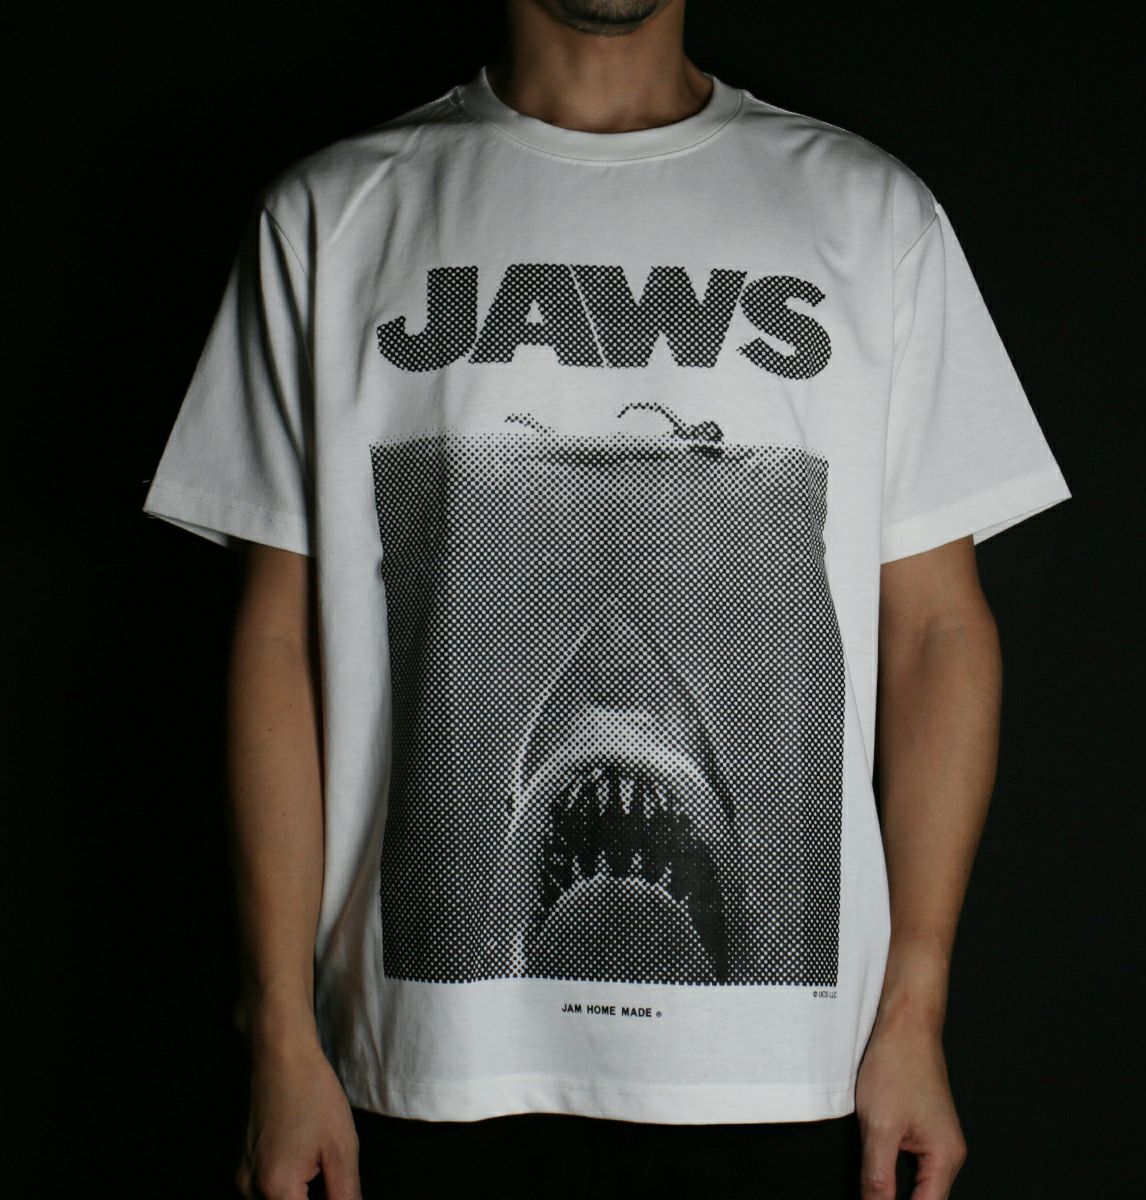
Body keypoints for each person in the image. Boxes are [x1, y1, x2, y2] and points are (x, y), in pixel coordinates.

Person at [140, 1, 1071, 1197]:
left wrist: (916, 1013)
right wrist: (279, 1030)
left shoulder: (871, 212)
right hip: (413, 1082)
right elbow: (277, 638)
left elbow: (937, 633)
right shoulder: (332, 213)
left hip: (795, 1088)